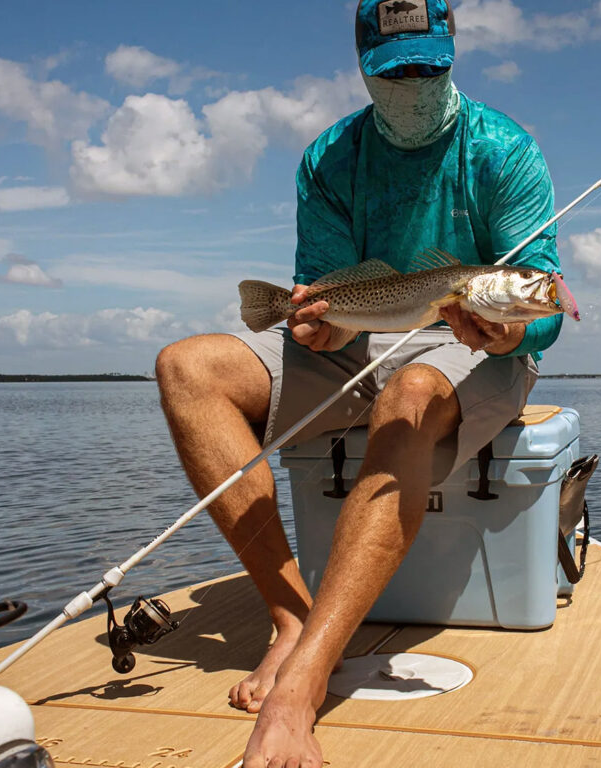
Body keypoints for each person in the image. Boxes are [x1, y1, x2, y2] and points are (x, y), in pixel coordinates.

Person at [154, 0, 565, 764]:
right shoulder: (329, 156)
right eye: (395, 71)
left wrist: (514, 323)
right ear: (364, 67)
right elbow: (326, 296)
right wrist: (316, 321)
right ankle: (291, 616)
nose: (413, 83)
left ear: (451, 55)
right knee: (188, 367)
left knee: (411, 390)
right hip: (366, 335)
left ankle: (303, 683)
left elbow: (543, 307)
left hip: (476, 351)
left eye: (427, 67)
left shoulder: (505, 149)